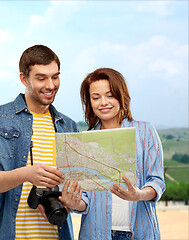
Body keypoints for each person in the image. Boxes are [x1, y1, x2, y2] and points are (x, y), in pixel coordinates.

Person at [0, 45, 79, 240]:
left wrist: (71, 202)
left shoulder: (69, 126)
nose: (50, 85)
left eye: (55, 77)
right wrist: (26, 174)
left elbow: (77, 190)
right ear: (24, 78)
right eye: (41, 78)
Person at [67, 67, 165, 240]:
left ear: (122, 96)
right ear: (89, 102)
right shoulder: (85, 141)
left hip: (140, 233)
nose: (103, 102)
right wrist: (75, 203)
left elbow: (157, 181)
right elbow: (86, 200)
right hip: (95, 234)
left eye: (110, 95)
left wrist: (138, 195)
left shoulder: (145, 132)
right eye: (96, 98)